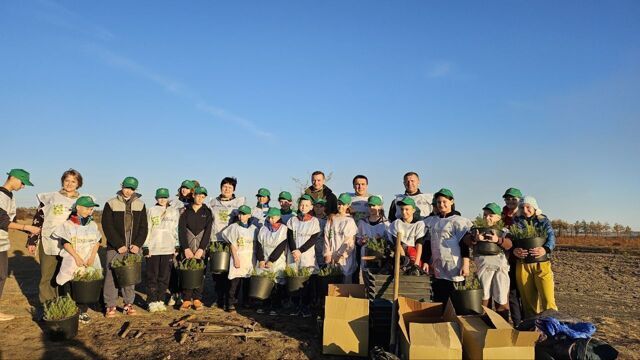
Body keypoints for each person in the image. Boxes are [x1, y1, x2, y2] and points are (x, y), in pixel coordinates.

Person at [26, 169, 83, 309]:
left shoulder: (82, 201)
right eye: (67, 180)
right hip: (49, 241)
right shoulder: (50, 197)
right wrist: (32, 240)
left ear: (79, 184)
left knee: (69, 275)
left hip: (72, 245)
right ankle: (49, 307)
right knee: (48, 276)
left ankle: (68, 306)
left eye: (73, 181)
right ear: (62, 181)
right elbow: (38, 219)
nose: (69, 184)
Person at [102, 176, 148, 317]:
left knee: (130, 276)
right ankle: (110, 305)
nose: (128, 191)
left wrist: (137, 244)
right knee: (111, 276)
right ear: (121, 186)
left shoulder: (140, 204)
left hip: (133, 246)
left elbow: (143, 227)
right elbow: (107, 226)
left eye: (132, 189)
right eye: (126, 187)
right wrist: (118, 244)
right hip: (116, 247)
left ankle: (128, 304)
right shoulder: (111, 203)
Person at [54, 196, 102, 324]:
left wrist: (92, 257)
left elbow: (98, 241)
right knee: (68, 284)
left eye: (92, 209)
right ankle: (69, 311)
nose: (90, 211)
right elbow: (65, 242)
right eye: (87, 208)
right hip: (72, 259)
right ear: (78, 208)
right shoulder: (68, 224)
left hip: (88, 260)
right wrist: (76, 257)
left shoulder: (92, 224)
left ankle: (82, 311)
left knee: (84, 286)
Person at [0, 169, 39, 321]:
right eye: (23, 183)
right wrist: (27, 228)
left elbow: (12, 222)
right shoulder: (0, 195)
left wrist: (30, 234)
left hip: (2, 244)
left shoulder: (11, 197)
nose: (23, 186)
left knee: (1, 276)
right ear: (14, 178)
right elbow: (2, 221)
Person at [510, 196, 557, 319]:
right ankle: (532, 330)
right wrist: (514, 250)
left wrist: (545, 249)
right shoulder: (516, 222)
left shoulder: (543, 220)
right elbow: (511, 240)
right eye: (522, 207)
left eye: (528, 207)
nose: (525, 210)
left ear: (534, 207)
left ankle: (552, 328)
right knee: (528, 302)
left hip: (541, 264)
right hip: (523, 264)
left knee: (548, 300)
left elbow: (551, 237)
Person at [422, 188, 472, 304]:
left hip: (454, 265)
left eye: (444, 201)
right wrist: (425, 261)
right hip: (438, 265)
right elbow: (428, 242)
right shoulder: (432, 221)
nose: (441, 205)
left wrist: (466, 264)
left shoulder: (459, 221)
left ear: (452, 201)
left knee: (455, 299)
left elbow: (464, 244)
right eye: (439, 202)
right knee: (440, 298)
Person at [466, 203, 512, 321]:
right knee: (484, 295)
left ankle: (502, 324)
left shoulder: (504, 231)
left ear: (498, 217)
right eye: (485, 215)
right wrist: (475, 239)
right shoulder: (476, 230)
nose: (487, 218)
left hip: (500, 268)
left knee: (501, 295)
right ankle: (484, 323)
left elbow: (509, 245)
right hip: (483, 266)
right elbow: (467, 241)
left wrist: (498, 240)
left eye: (491, 215)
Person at [209, 177, 245, 309]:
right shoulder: (213, 202)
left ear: (234, 189)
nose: (227, 189)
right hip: (217, 240)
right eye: (225, 186)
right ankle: (219, 298)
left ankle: (231, 299)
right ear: (220, 188)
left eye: (230, 187)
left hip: (232, 241)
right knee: (218, 273)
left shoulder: (239, 203)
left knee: (232, 272)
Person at [143, 188, 179, 312]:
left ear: (168, 198)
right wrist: (146, 246)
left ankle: (160, 299)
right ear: (156, 198)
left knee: (164, 276)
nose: (163, 199)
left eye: (165, 197)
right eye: (160, 197)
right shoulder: (151, 210)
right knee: (152, 275)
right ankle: (152, 300)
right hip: (154, 247)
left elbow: (176, 228)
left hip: (168, 248)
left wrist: (177, 244)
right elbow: (147, 228)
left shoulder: (173, 211)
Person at [178, 186, 213, 311]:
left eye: (203, 197)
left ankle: (197, 298)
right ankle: (186, 299)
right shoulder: (185, 211)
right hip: (187, 246)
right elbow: (181, 230)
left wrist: (201, 249)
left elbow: (208, 231)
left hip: (200, 248)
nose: (200, 198)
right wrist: (185, 248)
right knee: (187, 271)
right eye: (198, 195)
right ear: (193, 195)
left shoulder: (207, 212)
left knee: (200, 273)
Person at [287, 194, 321, 317]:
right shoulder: (293, 220)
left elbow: (313, 239)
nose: (303, 207)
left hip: (307, 255)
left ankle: (306, 306)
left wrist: (300, 251)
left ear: (311, 207)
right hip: (293, 254)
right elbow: (290, 237)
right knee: (294, 279)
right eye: (301, 204)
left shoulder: (314, 221)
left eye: (306, 205)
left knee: (306, 281)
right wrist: (294, 251)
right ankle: (296, 306)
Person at [222, 205, 258, 312]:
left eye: (244, 214)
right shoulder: (234, 227)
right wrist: (236, 258)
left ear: (249, 215)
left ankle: (246, 302)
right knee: (235, 282)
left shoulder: (254, 229)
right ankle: (230, 303)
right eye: (240, 214)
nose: (241, 216)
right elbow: (232, 244)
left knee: (247, 282)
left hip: (250, 258)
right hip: (238, 256)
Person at [255, 208, 288, 315]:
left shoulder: (284, 229)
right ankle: (264, 304)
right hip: (264, 259)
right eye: (269, 217)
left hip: (277, 260)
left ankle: (276, 306)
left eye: (273, 217)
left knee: (277, 284)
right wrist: (261, 259)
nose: (271, 220)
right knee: (264, 282)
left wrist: (272, 260)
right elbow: (259, 245)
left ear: (279, 217)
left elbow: (281, 246)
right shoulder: (264, 229)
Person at [323, 193, 358, 284]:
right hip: (332, 257)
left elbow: (349, 242)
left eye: (343, 204)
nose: (340, 206)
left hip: (345, 258)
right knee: (332, 283)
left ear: (348, 205)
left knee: (345, 284)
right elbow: (327, 237)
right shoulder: (331, 219)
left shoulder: (349, 221)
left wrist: (339, 254)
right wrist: (327, 253)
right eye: (339, 203)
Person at [501, 187, 524, 325]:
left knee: (525, 292)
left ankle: (529, 321)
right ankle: (517, 322)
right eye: (507, 198)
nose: (510, 201)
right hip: (508, 259)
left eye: (513, 199)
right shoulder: (502, 216)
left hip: (524, 259)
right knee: (512, 292)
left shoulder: (525, 215)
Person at [388, 197, 427, 272]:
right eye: (402, 209)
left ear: (413, 210)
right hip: (400, 251)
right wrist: (403, 259)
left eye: (407, 209)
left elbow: (419, 244)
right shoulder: (396, 223)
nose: (404, 212)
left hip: (413, 252)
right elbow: (397, 243)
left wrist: (416, 263)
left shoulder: (419, 224)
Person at [356, 195, 389, 275]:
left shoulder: (386, 223)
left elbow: (389, 242)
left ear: (380, 207)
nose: (371, 207)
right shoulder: (362, 222)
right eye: (369, 205)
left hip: (379, 257)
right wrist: (361, 241)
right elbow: (357, 241)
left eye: (374, 205)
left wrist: (380, 240)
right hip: (365, 256)